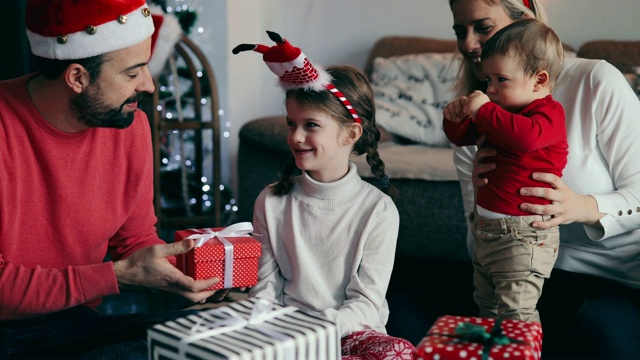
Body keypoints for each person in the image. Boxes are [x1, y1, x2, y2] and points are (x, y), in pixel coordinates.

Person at [0, 0, 224, 358]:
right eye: (133, 73)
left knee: (212, 341)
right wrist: (116, 276)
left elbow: (133, 240)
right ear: (77, 78)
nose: (149, 86)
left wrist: (183, 274)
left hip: (76, 323)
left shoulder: (129, 126)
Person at [448, 0, 640, 358]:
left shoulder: (595, 80)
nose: (468, 44)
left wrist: (582, 207)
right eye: (461, 31)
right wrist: (484, 195)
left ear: (526, 22)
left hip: (605, 277)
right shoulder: (478, 113)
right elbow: (476, 245)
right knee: (417, 321)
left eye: (483, 27)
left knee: (594, 333)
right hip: (508, 269)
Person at [233, 31, 415, 359]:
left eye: (311, 125)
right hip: (286, 335)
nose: (296, 136)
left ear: (351, 133)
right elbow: (264, 292)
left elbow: (366, 304)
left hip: (350, 334)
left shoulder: (378, 210)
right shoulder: (271, 201)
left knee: (399, 352)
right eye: (291, 124)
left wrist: (316, 331)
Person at [443, 18, 567, 324]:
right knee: (487, 306)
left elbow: (526, 138)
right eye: (488, 80)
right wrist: (455, 118)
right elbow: (462, 139)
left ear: (539, 81)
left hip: (524, 237)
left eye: (501, 79)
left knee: (517, 314)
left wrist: (484, 110)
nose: (491, 89)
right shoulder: (500, 115)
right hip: (486, 231)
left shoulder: (548, 114)